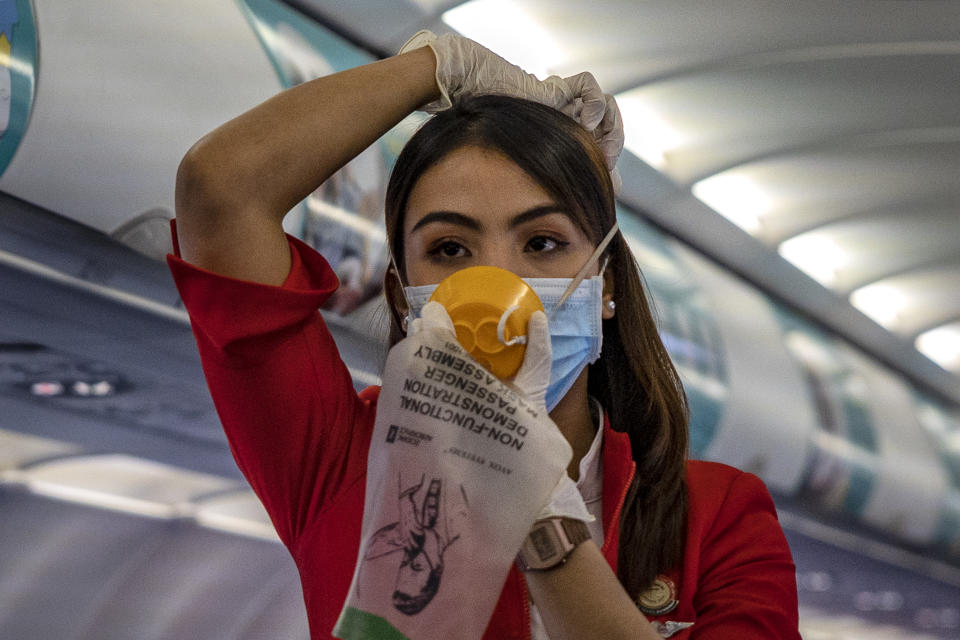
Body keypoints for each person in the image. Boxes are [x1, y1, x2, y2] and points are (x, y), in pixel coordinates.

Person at [169, 29, 800, 640]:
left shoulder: (716, 514)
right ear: (402, 295)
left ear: (605, 285)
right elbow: (221, 190)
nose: (501, 286)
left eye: (543, 243)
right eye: (449, 248)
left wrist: (538, 513)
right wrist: (435, 67)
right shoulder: (343, 463)